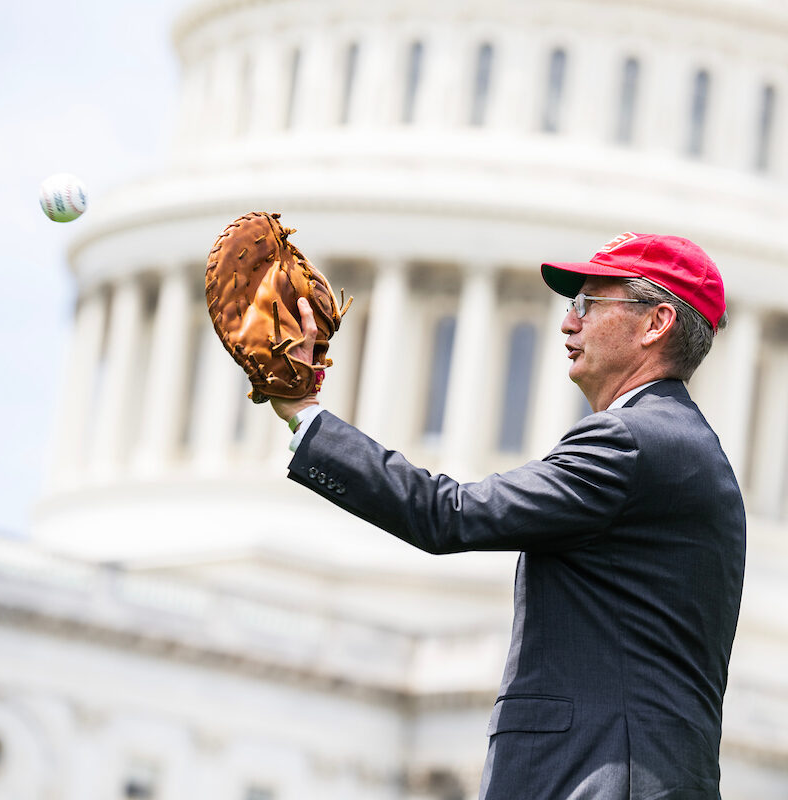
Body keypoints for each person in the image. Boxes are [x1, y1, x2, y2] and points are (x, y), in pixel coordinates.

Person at [271, 232, 746, 799]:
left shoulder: (631, 443)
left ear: (655, 323)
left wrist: (303, 410)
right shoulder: (680, 447)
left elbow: (444, 515)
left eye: (589, 304)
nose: (568, 324)